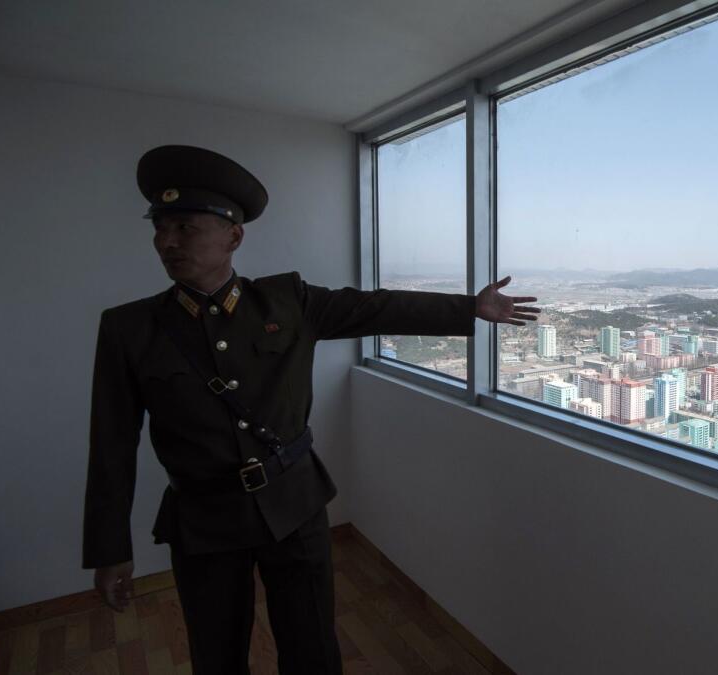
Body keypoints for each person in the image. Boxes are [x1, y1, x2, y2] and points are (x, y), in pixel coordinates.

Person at [82, 144, 540, 674]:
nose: (166, 241)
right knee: (216, 652)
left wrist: (468, 307)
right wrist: (109, 547)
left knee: (312, 647)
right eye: (160, 228)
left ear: (233, 235)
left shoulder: (287, 301)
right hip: (203, 518)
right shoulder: (129, 328)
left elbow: (374, 307)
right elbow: (111, 443)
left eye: (185, 227)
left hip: (294, 504)